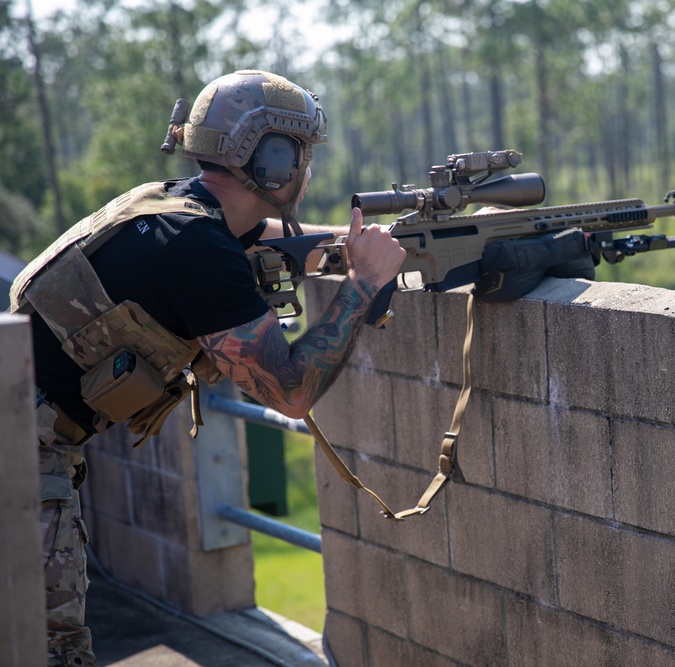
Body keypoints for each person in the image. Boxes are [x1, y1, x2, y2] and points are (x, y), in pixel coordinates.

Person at [10, 69, 405, 666]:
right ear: (269, 157)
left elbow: (262, 235)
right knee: (49, 654)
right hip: (21, 461)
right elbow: (292, 392)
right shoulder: (197, 249)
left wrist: (368, 240)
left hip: (26, 437)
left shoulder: (170, 207)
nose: (305, 168)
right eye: (299, 153)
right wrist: (364, 283)